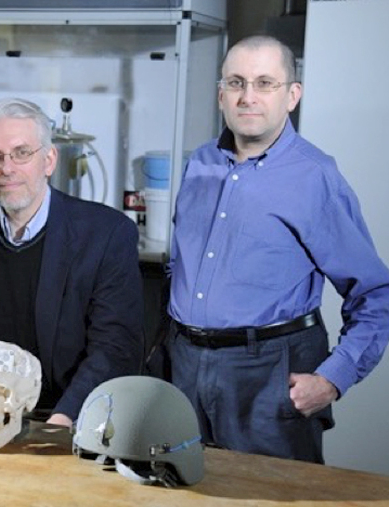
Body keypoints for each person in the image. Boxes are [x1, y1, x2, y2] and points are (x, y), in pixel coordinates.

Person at [166, 35, 389, 463]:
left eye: (264, 83)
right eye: (236, 83)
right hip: (186, 369)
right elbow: (181, 263)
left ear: (292, 96)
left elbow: (375, 295)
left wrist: (333, 379)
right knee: (180, 492)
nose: (248, 97)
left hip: (269, 375)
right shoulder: (200, 163)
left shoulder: (314, 176)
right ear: (220, 95)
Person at [0, 97, 144, 426]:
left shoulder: (107, 235)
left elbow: (114, 349)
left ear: (49, 160)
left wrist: (63, 419)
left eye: (21, 153)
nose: (7, 168)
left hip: (63, 413)